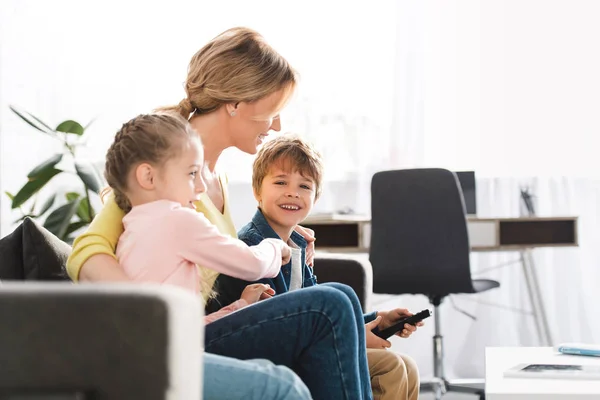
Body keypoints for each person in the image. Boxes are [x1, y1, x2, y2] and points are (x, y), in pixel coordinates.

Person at [67, 27, 373, 399]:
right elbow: (86, 252)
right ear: (236, 103)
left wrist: (283, 239)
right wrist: (151, 320)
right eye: (273, 111)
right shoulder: (166, 167)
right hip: (162, 342)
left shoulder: (215, 178)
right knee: (331, 304)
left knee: (337, 296)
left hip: (204, 326)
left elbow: (216, 265)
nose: (277, 124)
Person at [208, 135, 421, 400]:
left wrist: (378, 320)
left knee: (408, 367)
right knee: (389, 367)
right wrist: (355, 337)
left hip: (299, 339)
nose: (292, 192)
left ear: (315, 197)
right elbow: (289, 323)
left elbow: (320, 314)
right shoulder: (254, 247)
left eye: (304, 186)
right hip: (265, 348)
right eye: (280, 182)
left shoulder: (298, 244)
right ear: (257, 191)